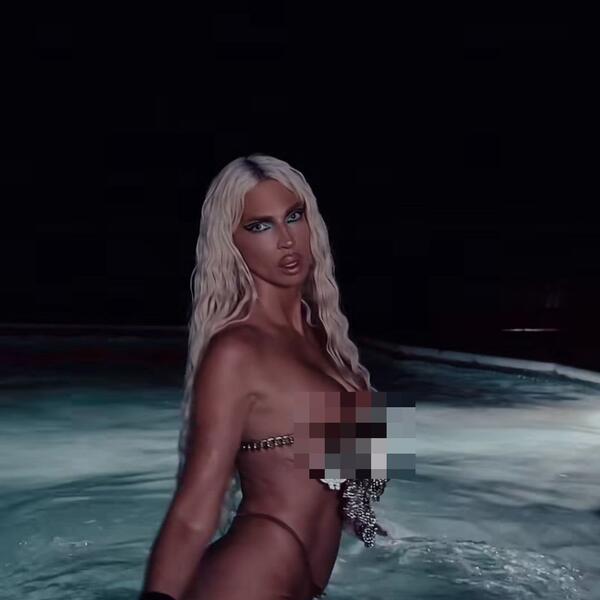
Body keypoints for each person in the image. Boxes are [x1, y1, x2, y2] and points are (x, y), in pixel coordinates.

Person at [139, 154, 389, 600]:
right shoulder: (236, 350)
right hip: (253, 571)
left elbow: (358, 491)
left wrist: (380, 534)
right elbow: (195, 509)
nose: (286, 239)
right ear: (231, 242)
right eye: (260, 226)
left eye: (294, 216)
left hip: (309, 579)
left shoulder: (331, 344)